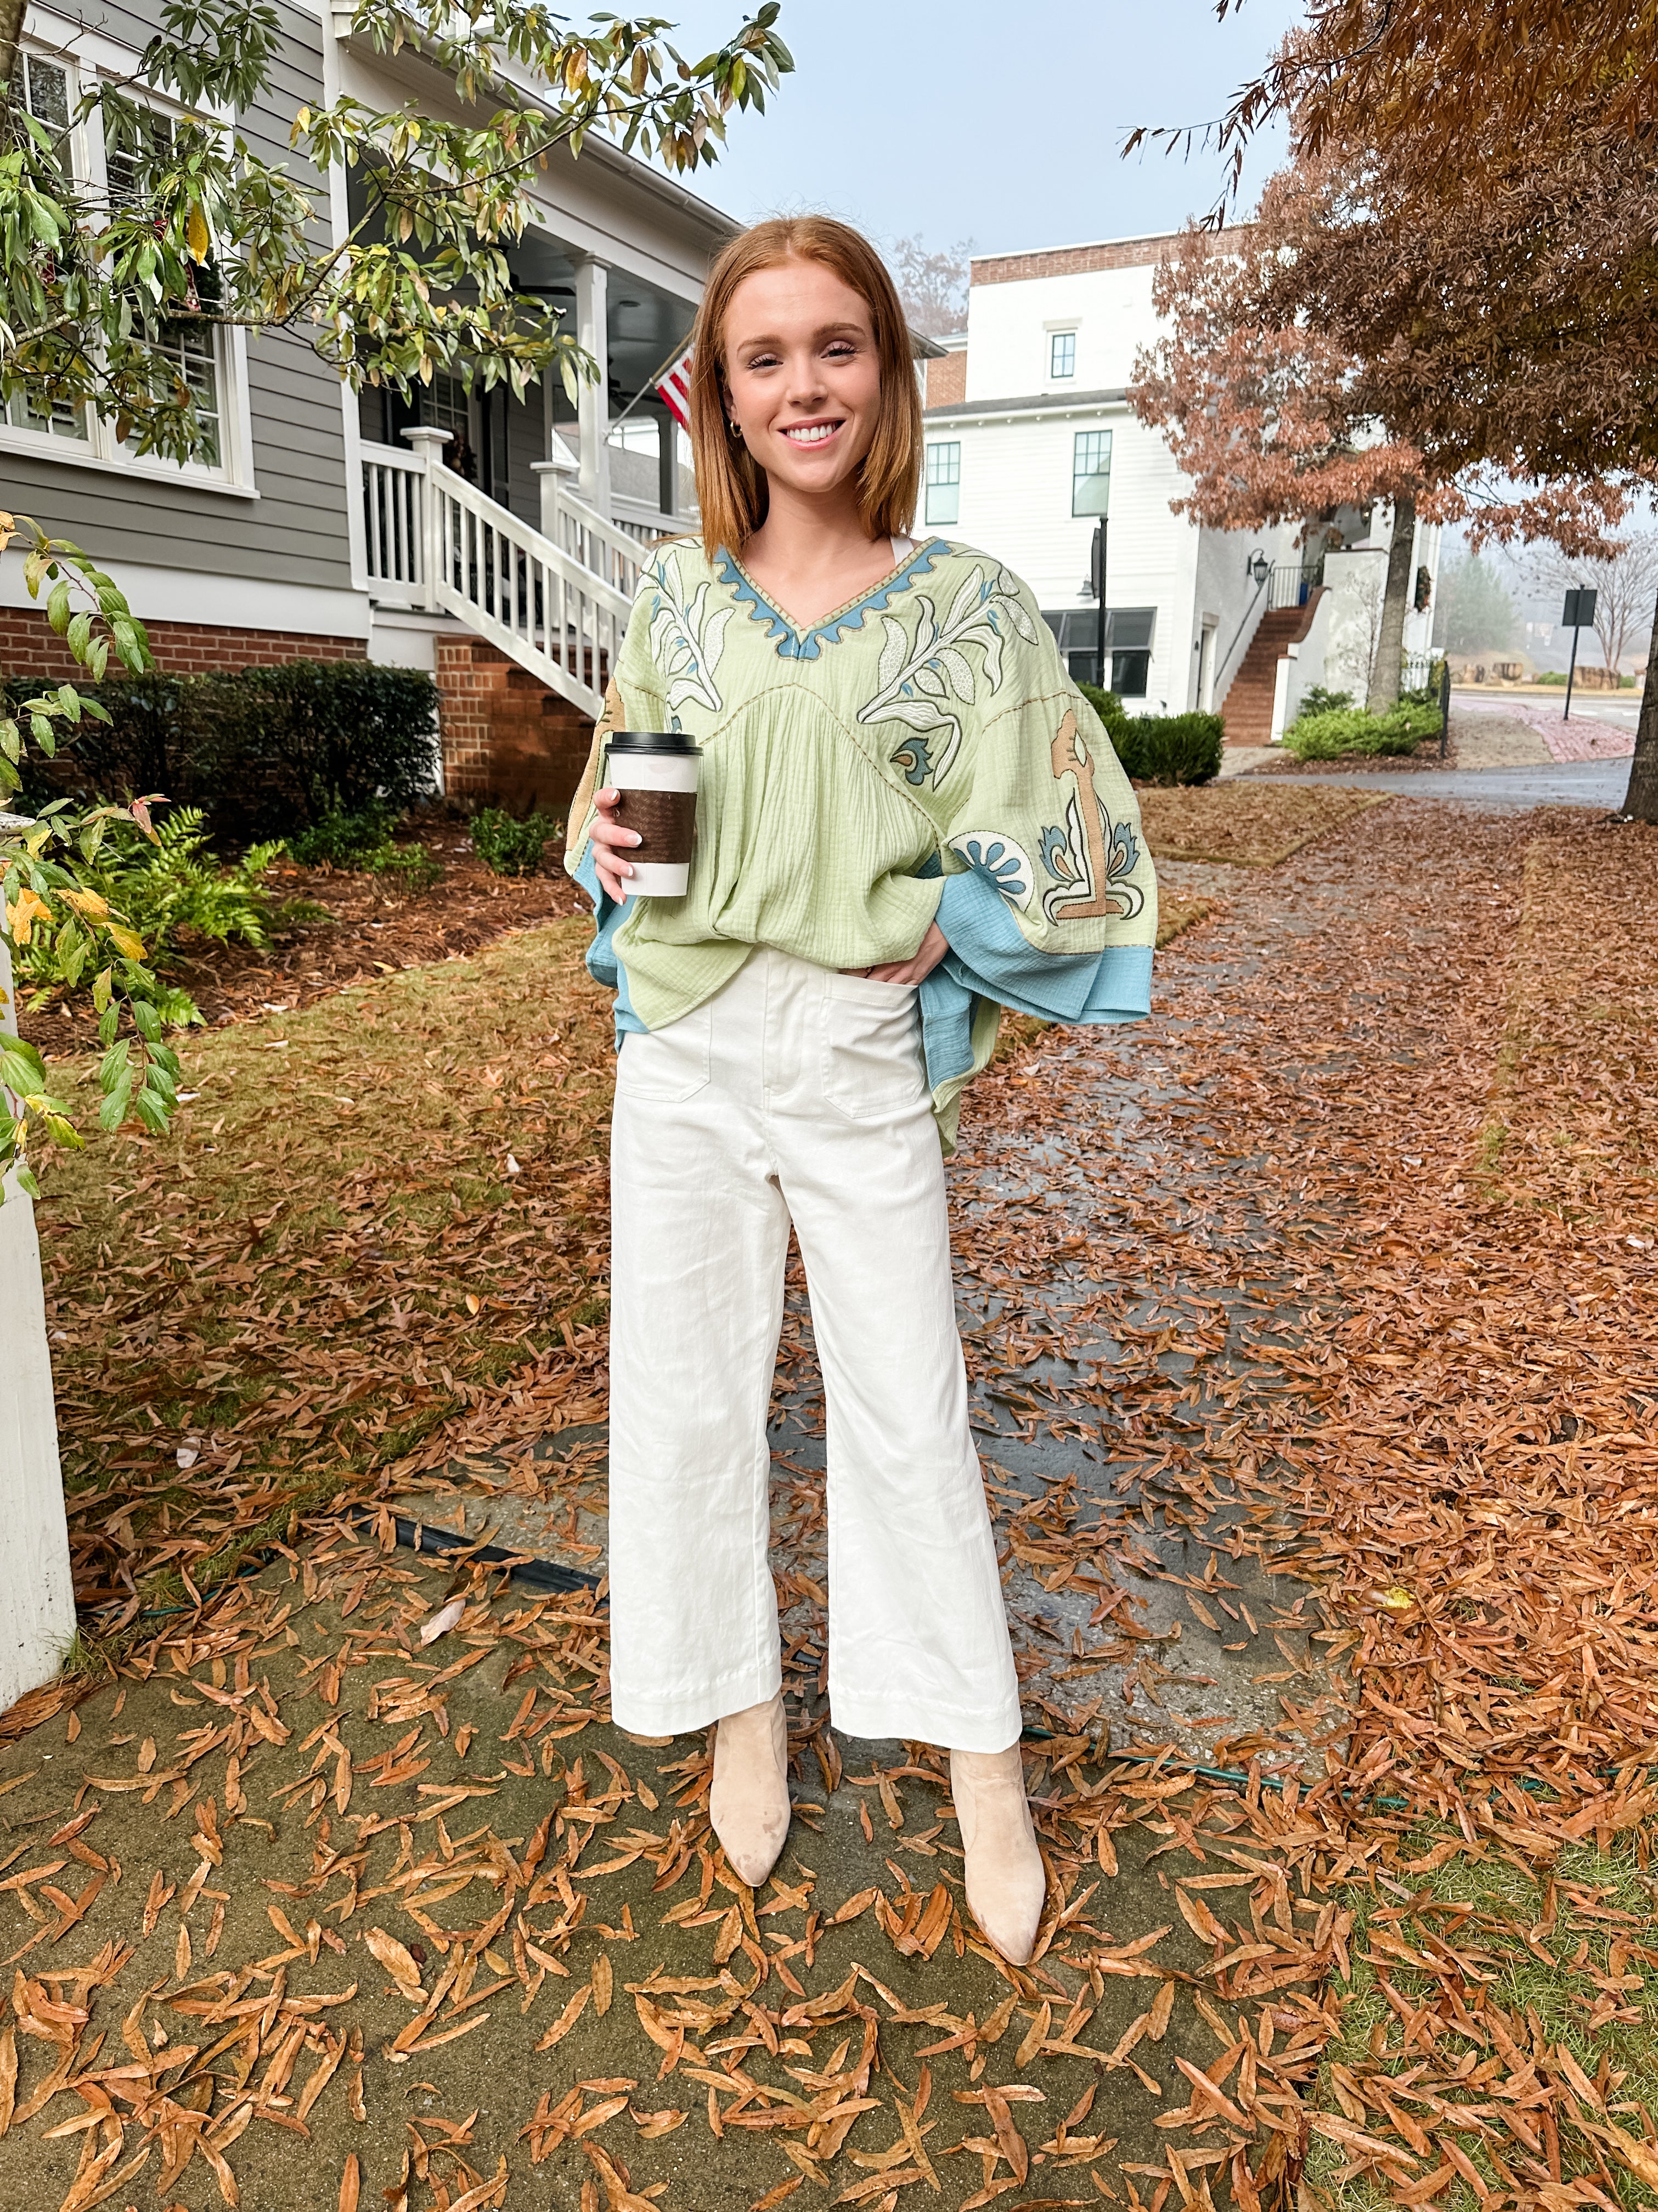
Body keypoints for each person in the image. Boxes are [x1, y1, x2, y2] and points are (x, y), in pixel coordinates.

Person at [565, 217, 1157, 1966]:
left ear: (887, 372)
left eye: (836, 347)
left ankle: (983, 1764)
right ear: (723, 402)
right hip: (684, 1047)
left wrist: (960, 920)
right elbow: (614, 811)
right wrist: (601, 848)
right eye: (764, 358)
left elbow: (1082, 836)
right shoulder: (677, 597)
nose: (802, 383)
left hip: (845, 1052)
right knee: (682, 1399)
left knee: (909, 1412)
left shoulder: (965, 608)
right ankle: (738, 1707)